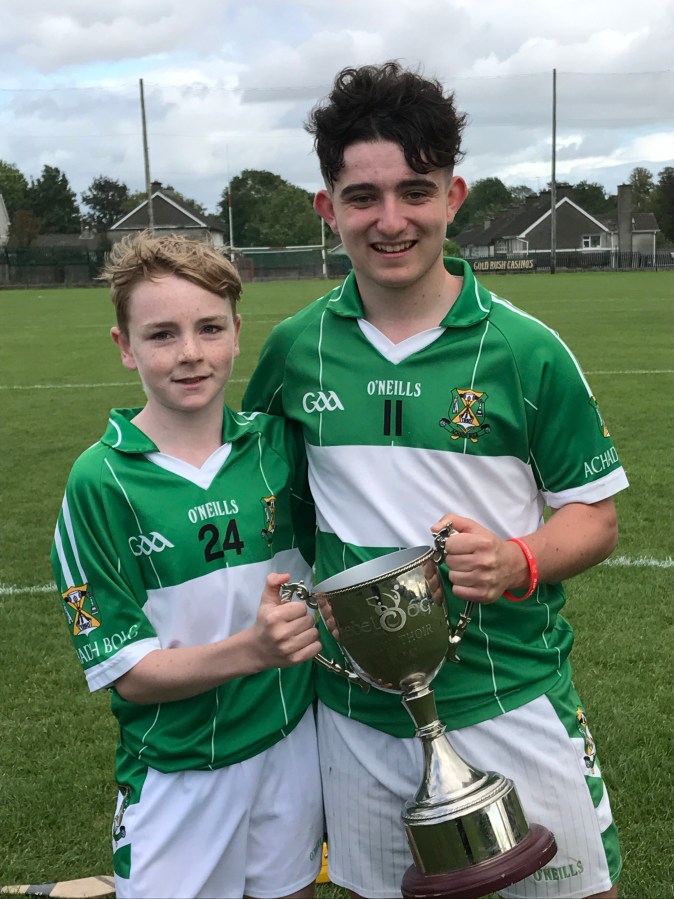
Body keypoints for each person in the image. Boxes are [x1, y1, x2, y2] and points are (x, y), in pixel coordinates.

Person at [242, 62, 627, 899]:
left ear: (452, 197)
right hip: (357, 716)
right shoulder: (294, 351)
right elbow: (269, 509)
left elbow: (595, 518)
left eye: (414, 191)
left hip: (508, 693)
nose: (391, 220)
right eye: (363, 197)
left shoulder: (527, 350)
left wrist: (519, 559)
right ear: (327, 207)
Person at [51, 232, 324, 899]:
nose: (191, 353)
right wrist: (253, 649)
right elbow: (130, 675)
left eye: (209, 328)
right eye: (162, 335)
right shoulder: (100, 482)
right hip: (179, 769)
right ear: (125, 346)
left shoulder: (277, 447)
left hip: (290, 743)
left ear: (237, 333)